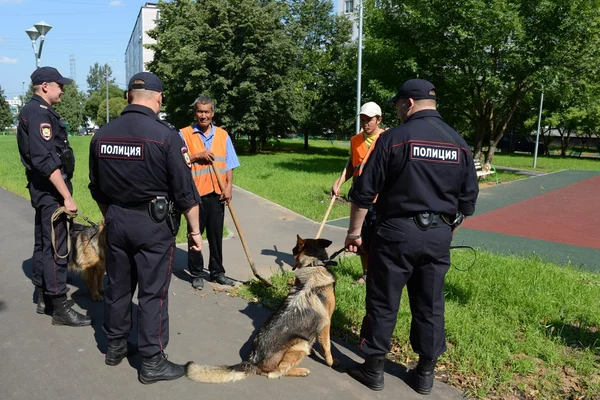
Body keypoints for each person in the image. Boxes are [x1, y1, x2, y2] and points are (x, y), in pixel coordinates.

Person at [344, 79, 479, 395]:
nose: (398, 111)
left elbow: (364, 192)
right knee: (430, 304)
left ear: (408, 103)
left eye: (397, 105)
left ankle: (373, 369)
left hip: (396, 233)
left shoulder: (393, 139)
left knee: (383, 300)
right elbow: (468, 202)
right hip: (438, 235)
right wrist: (444, 232)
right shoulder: (458, 143)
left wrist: (354, 233)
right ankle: (425, 374)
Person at [89, 72, 203, 384]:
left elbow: (96, 188)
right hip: (153, 224)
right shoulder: (165, 136)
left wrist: (110, 216)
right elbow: (184, 191)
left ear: (128, 97)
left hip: (116, 219)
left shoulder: (101, 135)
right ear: (159, 98)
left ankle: (115, 346)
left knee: (118, 285)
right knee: (153, 293)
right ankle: (152, 360)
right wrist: (194, 234)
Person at [16, 66, 91, 327]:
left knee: (43, 243)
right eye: (60, 85)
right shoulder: (38, 114)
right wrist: (66, 197)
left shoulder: (36, 111)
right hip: (51, 191)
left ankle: (43, 297)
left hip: (44, 189)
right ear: (45, 86)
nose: (63, 89)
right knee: (57, 249)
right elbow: (45, 160)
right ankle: (59, 305)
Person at [179, 96, 240, 289]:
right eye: (199, 111)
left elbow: (229, 164)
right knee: (194, 234)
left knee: (216, 235)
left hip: (217, 193)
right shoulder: (184, 134)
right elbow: (179, 160)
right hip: (195, 194)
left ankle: (217, 272)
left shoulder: (223, 135)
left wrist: (229, 186)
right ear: (195, 113)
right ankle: (196, 273)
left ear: (212, 113)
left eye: (207, 112)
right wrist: (197, 155)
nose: (203, 115)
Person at [331, 101, 385, 284]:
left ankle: (381, 275)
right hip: (361, 199)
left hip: (382, 199)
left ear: (379, 119)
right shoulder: (355, 140)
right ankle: (366, 273)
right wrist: (339, 182)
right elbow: (351, 165)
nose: (365, 123)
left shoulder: (388, 139)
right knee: (361, 237)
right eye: (363, 119)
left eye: (369, 119)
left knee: (380, 239)